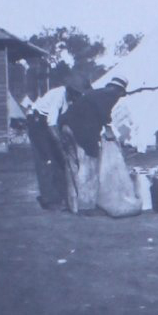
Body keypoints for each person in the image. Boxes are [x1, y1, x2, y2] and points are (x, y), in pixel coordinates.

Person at [60, 76, 128, 214]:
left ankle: (73, 205)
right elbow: (104, 113)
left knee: (72, 166)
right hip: (80, 131)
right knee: (88, 166)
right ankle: (86, 206)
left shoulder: (95, 93)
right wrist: (109, 131)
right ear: (119, 90)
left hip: (65, 126)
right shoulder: (111, 95)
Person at [26, 76, 90, 210]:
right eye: (78, 94)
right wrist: (60, 146)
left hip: (50, 125)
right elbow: (51, 124)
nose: (79, 97)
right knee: (47, 159)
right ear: (71, 91)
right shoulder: (59, 96)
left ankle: (62, 195)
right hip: (38, 123)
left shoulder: (72, 100)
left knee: (60, 162)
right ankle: (49, 200)